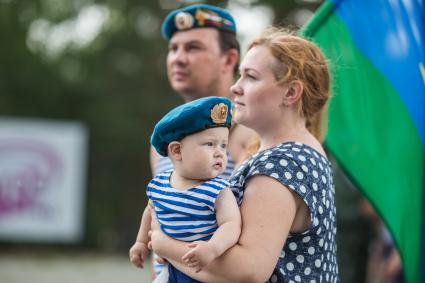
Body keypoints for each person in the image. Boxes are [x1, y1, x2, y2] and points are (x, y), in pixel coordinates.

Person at [149, 27, 339, 283]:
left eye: (250, 77)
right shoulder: (290, 153)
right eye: (240, 76)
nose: (235, 87)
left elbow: (248, 270)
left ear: (291, 93)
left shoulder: (283, 165)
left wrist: (163, 244)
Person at [133, 3, 256, 278]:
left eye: (193, 48)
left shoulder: (248, 132)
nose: (178, 57)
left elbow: (253, 249)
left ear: (228, 59)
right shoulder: (164, 142)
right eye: (173, 48)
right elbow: (159, 219)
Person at [130, 96, 241, 283]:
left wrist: (213, 248)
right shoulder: (160, 184)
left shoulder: (218, 189)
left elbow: (231, 224)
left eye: (223, 145)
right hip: (168, 270)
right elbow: (150, 211)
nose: (219, 152)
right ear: (176, 151)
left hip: (204, 271)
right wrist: (141, 243)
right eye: (209, 144)